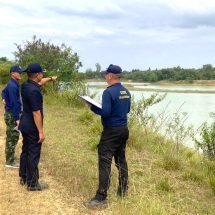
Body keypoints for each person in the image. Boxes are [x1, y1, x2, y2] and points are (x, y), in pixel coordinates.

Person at [84, 64, 131, 208]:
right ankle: (123, 190)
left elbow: (105, 112)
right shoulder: (126, 91)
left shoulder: (108, 92)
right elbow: (127, 109)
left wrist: (92, 107)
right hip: (123, 129)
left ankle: (101, 197)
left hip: (111, 131)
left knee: (104, 161)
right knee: (120, 160)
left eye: (106, 75)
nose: (105, 77)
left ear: (110, 76)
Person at [18, 63, 57, 191]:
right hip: (32, 126)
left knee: (26, 151)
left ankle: (24, 177)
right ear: (37, 75)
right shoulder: (34, 91)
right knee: (33, 154)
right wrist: (40, 132)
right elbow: (36, 113)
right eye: (42, 73)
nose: (43, 75)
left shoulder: (26, 85)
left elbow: (40, 83)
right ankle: (33, 183)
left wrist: (51, 78)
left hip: (25, 124)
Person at [1, 65, 24, 168]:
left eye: (21, 72)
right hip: (12, 114)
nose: (21, 74)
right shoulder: (12, 86)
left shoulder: (13, 84)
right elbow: (15, 104)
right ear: (12, 73)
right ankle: (10, 162)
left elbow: (3, 91)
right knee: (12, 137)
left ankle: (10, 159)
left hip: (10, 113)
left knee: (12, 136)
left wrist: (3, 98)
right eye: (19, 72)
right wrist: (17, 118)